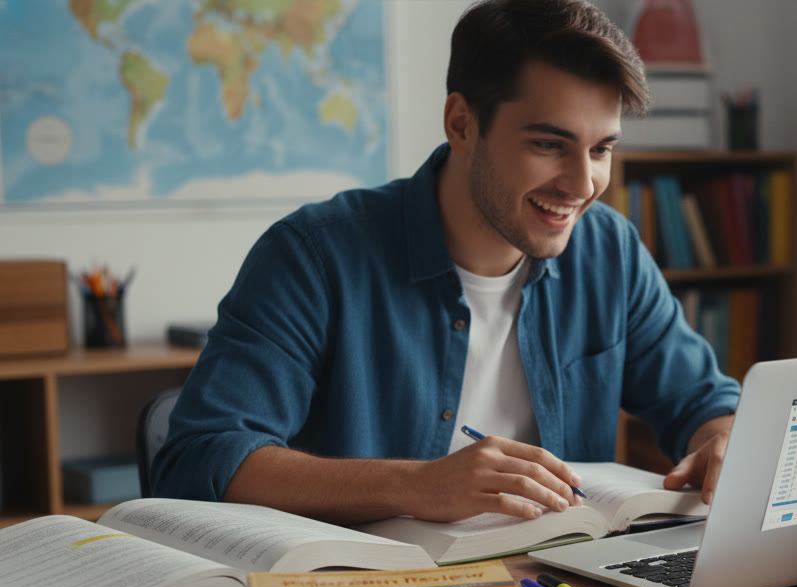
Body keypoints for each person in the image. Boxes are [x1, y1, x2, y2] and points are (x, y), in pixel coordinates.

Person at [151, 0, 739, 525]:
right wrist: (414, 485)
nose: (583, 184)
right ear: (461, 123)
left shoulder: (609, 251)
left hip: (557, 584)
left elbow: (705, 402)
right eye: (548, 144)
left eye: (601, 149)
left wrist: (723, 440)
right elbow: (202, 455)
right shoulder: (313, 255)